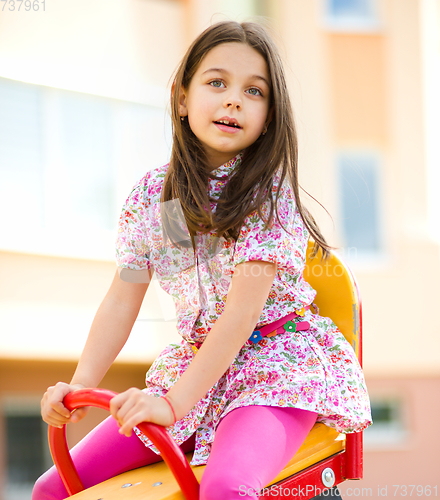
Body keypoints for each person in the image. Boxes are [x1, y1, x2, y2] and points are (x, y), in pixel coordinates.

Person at [33, 20, 372, 500]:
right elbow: (123, 297)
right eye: (217, 82)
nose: (233, 99)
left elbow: (240, 315)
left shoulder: (265, 196)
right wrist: (81, 385)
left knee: (226, 489)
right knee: (54, 488)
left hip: (273, 368)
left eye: (254, 91)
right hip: (197, 369)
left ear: (270, 116)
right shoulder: (159, 199)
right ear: (182, 98)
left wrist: (171, 404)